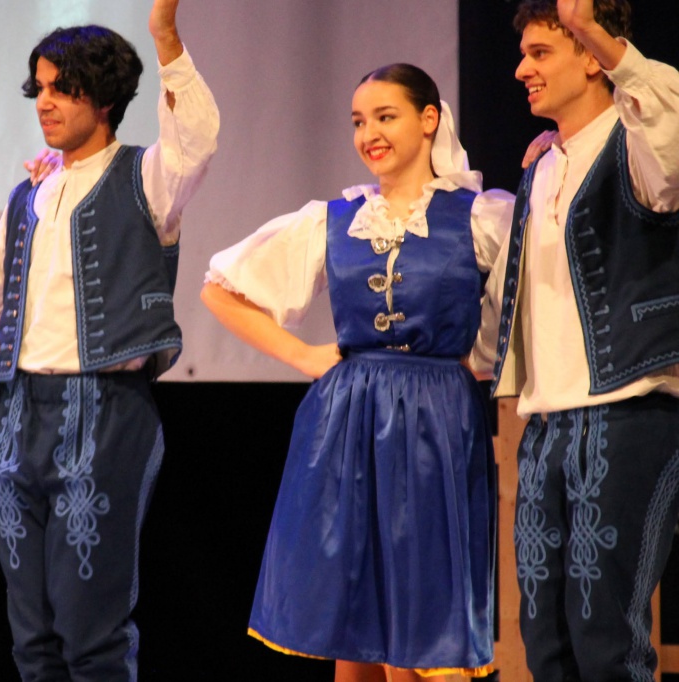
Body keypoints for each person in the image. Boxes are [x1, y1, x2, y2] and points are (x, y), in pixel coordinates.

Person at [0, 1, 219, 680]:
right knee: (32, 634)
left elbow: (196, 139)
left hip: (103, 409)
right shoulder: (29, 195)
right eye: (41, 88)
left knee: (91, 631)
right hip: (17, 411)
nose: (44, 102)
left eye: (63, 88)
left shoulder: (147, 178)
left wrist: (166, 37)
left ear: (103, 99)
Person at [201, 64, 514, 680]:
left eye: (385, 116)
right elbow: (221, 290)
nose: (368, 133)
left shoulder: (479, 216)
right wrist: (304, 356)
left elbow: (519, 309)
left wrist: (472, 364)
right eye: (358, 121)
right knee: (354, 616)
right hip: (348, 424)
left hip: (436, 424)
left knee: (423, 621)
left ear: (429, 120)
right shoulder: (335, 219)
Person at [487, 0, 679, 678]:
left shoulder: (640, 143)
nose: (521, 70)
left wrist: (598, 32)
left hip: (628, 410)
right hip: (546, 423)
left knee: (606, 634)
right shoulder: (542, 166)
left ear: (593, 58)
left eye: (541, 53)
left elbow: (669, 140)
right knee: (546, 636)